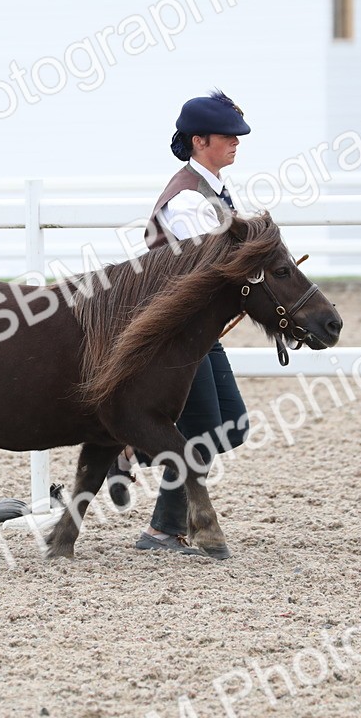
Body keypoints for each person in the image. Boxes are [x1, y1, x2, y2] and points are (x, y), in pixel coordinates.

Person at [108, 90, 251, 556]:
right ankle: (163, 529)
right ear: (199, 140)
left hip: (199, 332)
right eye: (227, 135)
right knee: (208, 429)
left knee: (230, 424)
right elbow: (207, 267)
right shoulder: (188, 202)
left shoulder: (210, 190)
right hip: (177, 335)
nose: (235, 142)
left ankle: (131, 448)